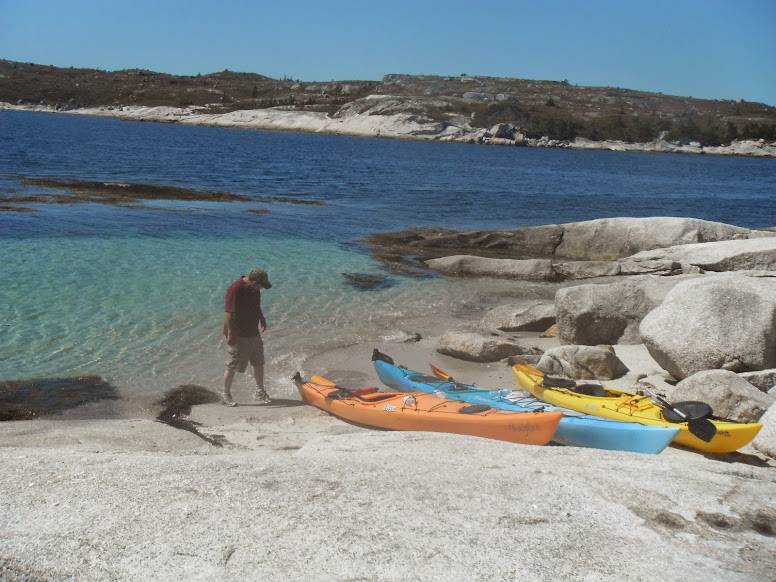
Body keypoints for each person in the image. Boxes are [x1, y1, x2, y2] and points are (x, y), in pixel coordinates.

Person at [222, 268, 272, 406]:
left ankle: (259, 391)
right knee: (232, 364)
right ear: (254, 281)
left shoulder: (254, 289)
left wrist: (262, 318)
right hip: (238, 334)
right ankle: (225, 395)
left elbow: (257, 306)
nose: (260, 288)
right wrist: (231, 334)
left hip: (253, 332)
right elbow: (229, 314)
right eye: (260, 285)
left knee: (259, 361)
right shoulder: (235, 289)